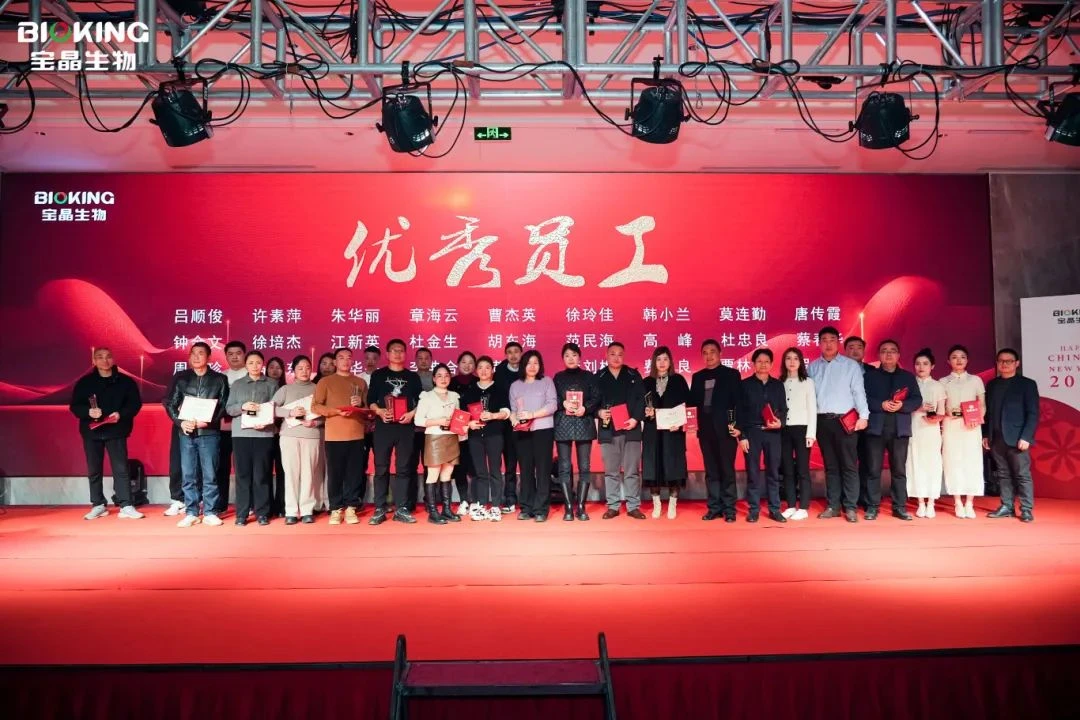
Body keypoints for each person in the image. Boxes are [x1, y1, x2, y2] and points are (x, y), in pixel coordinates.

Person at [68, 347, 144, 520]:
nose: (105, 360)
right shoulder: (85, 383)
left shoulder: (125, 382)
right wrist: (88, 412)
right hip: (92, 432)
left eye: (108, 357)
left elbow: (134, 404)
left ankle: (126, 505)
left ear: (113, 359)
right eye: (100, 357)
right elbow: (75, 406)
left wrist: (121, 414)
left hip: (116, 430)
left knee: (121, 468)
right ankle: (98, 504)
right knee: (94, 469)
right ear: (94, 361)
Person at [163, 342, 230, 527]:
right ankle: (191, 512)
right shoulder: (181, 378)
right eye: (193, 353)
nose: (196, 357)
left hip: (209, 433)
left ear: (209, 357)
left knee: (210, 474)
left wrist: (209, 421)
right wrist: (181, 422)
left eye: (201, 353)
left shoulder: (219, 379)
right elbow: (170, 403)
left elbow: (224, 405)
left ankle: (210, 511)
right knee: (188, 474)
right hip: (187, 433)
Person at [808, 326, 869, 523]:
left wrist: (864, 416)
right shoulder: (812, 367)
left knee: (849, 465)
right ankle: (833, 505)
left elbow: (858, 392)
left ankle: (850, 507)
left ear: (838, 342)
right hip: (822, 422)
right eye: (824, 340)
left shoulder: (850, 366)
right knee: (831, 466)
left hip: (846, 421)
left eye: (832, 340)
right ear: (819, 343)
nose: (828, 344)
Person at [863, 340, 921, 521]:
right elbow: (862, 399)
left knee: (899, 470)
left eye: (892, 351)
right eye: (884, 351)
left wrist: (902, 405)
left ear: (898, 355)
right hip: (876, 429)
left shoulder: (907, 377)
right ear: (878, 355)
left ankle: (899, 507)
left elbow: (917, 399)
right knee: (873, 470)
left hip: (899, 429)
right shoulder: (869, 376)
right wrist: (880, 404)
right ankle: (872, 506)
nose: (888, 354)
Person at [367, 338, 423, 524]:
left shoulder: (412, 377)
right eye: (394, 350)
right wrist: (380, 411)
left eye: (401, 350)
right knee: (381, 468)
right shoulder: (378, 375)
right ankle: (379, 508)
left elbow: (420, 402)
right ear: (387, 354)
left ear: (405, 354)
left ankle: (402, 508)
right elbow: (371, 401)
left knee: (404, 468)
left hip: (405, 427)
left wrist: (412, 414)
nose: (398, 354)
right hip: (384, 426)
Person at [311, 348, 368, 525]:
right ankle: (336, 508)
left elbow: (367, 410)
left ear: (353, 361)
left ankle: (351, 507)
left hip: (356, 433)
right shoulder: (325, 382)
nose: (345, 361)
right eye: (341, 358)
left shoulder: (360, 382)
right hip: (334, 435)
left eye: (349, 358)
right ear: (335, 362)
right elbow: (315, 406)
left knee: (354, 473)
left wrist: (360, 404)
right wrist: (335, 411)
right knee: (335, 474)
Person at [690, 339, 743, 522]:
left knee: (727, 470)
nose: (709, 356)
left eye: (712, 351)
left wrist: (738, 426)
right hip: (705, 431)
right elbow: (691, 405)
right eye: (705, 352)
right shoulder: (697, 377)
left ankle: (729, 509)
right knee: (711, 471)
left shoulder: (731, 375)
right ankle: (714, 508)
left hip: (726, 430)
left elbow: (739, 403)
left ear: (720, 353)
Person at [984, 348, 1040, 523]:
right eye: (1001, 361)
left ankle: (1026, 509)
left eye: (1009, 361)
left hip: (1017, 438)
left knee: (1022, 474)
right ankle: (1007, 506)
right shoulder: (992, 385)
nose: (1004, 364)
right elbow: (987, 413)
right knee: (1002, 473)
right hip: (996, 437)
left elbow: (1033, 413)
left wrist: (1026, 437)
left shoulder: (1027, 384)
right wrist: (986, 434)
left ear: (1017, 363)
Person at [225, 351, 278, 526]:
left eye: (258, 363)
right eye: (251, 363)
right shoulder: (237, 384)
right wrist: (243, 406)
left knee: (262, 475)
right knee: (243, 475)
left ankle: (262, 512)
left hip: (264, 434)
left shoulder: (271, 384)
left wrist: (266, 422)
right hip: (241, 435)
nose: (255, 366)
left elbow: (276, 408)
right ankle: (242, 514)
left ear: (263, 364)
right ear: (246, 365)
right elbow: (229, 409)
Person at [596, 342, 647, 520]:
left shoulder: (633, 374)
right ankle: (613, 506)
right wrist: (599, 412)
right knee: (611, 471)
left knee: (632, 470)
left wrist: (636, 419)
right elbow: (591, 402)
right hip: (608, 430)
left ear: (624, 356)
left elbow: (642, 400)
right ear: (606, 355)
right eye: (612, 354)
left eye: (620, 354)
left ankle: (633, 506)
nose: (616, 357)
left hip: (631, 429)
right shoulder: (599, 376)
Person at [738, 349, 788, 523]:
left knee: (773, 472)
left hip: (773, 433)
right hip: (752, 433)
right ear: (753, 364)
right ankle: (754, 510)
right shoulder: (744, 385)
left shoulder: (778, 385)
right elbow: (740, 412)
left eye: (767, 361)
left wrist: (781, 422)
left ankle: (775, 509)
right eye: (759, 361)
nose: (763, 364)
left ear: (772, 364)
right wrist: (742, 436)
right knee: (753, 473)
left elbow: (783, 409)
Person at [273, 355, 323, 524]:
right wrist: (290, 412)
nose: (304, 371)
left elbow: (326, 413)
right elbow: (271, 409)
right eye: (300, 368)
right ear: (293, 370)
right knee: (291, 473)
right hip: (289, 436)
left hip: (311, 435)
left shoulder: (318, 388)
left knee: (309, 473)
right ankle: (291, 511)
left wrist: (315, 422)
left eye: (307, 368)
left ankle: (307, 510)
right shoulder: (285, 389)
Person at [460, 356, 511, 521]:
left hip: (494, 435)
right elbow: (463, 414)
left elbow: (506, 412)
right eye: (480, 367)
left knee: (495, 471)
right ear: (476, 370)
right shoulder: (470, 390)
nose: (483, 371)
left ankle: (495, 506)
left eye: (487, 367)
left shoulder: (500, 389)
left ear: (492, 370)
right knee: (480, 472)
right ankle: (481, 505)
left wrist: (493, 415)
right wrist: (469, 423)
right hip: (475, 436)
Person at [509, 350, 558, 521]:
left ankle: (541, 509)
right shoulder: (515, 386)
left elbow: (552, 405)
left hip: (543, 431)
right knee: (526, 470)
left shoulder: (546, 382)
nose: (532, 366)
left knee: (543, 470)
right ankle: (526, 507)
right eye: (529, 363)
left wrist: (532, 415)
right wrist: (513, 419)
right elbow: (513, 410)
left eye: (536, 363)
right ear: (523, 365)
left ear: (540, 365)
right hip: (522, 432)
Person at [553, 342, 600, 521]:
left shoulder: (589, 376)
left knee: (585, 467)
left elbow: (596, 397)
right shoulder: (558, 377)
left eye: (574, 355)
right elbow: (553, 399)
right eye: (567, 356)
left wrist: (585, 408)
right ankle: (568, 508)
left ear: (580, 357)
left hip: (583, 423)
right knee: (564, 467)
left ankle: (580, 506)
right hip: (563, 424)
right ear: (562, 359)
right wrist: (562, 403)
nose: (571, 359)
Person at [414, 364, 466, 524]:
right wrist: (439, 421)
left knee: (447, 474)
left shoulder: (454, 396)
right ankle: (433, 512)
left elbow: (458, 418)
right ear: (434, 378)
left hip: (451, 437)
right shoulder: (426, 396)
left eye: (446, 375)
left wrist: (462, 429)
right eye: (439, 376)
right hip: (435, 438)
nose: (443, 379)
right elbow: (418, 420)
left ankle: (447, 510)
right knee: (433, 474)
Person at [642, 346, 689, 520]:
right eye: (658, 359)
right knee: (653, 467)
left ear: (670, 362)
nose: (662, 363)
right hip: (652, 432)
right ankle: (656, 504)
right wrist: (645, 412)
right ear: (654, 362)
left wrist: (681, 423)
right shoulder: (646, 382)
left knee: (673, 466)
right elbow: (638, 406)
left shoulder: (679, 380)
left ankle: (672, 504)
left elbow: (688, 406)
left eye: (665, 359)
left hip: (673, 432)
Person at [940, 344, 986, 519]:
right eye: (954, 357)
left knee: (972, 462)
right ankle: (958, 502)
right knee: (953, 461)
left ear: (967, 360)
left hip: (971, 426)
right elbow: (940, 405)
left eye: (962, 357)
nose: (958, 360)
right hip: (951, 426)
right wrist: (946, 412)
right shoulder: (943, 382)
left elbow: (982, 404)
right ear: (948, 361)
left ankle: (970, 502)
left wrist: (977, 418)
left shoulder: (975, 380)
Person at [906, 348, 946, 518]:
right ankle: (920, 502)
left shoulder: (938, 386)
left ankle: (931, 503)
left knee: (932, 465)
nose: (921, 367)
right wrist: (918, 408)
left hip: (931, 431)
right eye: (918, 364)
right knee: (915, 464)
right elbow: (903, 408)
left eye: (925, 364)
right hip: (913, 429)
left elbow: (942, 412)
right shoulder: (909, 385)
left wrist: (934, 419)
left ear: (932, 366)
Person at [779, 347, 816, 520]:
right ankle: (791, 505)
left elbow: (812, 409)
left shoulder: (807, 382)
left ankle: (804, 507)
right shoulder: (779, 382)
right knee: (787, 469)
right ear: (784, 362)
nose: (792, 361)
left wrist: (811, 434)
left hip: (802, 429)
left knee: (802, 469)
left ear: (801, 362)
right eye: (788, 358)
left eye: (795, 358)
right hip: (784, 430)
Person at [217, 340, 248, 516]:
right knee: (221, 468)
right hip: (222, 429)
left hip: (245, 429)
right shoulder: (220, 377)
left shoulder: (251, 375)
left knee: (243, 469)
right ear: (226, 356)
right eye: (230, 354)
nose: (234, 357)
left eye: (238, 353)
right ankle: (220, 505)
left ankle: (246, 505)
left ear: (245, 355)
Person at [405, 347, 435, 514]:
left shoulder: (436, 377)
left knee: (430, 466)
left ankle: (430, 501)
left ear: (431, 360)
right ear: (415, 360)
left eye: (426, 358)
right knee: (410, 466)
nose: (423, 361)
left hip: (431, 429)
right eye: (420, 358)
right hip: (412, 429)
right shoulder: (409, 377)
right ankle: (409, 501)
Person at [845, 335, 873, 511]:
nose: (855, 351)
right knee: (847, 462)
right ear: (844, 351)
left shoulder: (873, 371)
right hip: (845, 423)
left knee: (867, 461)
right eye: (851, 347)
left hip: (868, 423)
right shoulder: (840, 372)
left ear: (864, 350)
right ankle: (848, 498)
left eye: (859, 347)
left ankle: (865, 497)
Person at [495, 341, 524, 512]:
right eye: (510, 352)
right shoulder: (499, 372)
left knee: (527, 463)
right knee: (510, 464)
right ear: (506, 355)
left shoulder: (527, 369)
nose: (513, 355)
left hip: (527, 421)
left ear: (521, 353)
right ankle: (510, 498)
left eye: (516, 351)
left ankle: (528, 498)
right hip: (506, 424)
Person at [451, 351, 478, 516]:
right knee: (459, 467)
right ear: (458, 364)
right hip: (457, 431)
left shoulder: (478, 383)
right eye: (463, 362)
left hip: (475, 430)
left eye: (471, 362)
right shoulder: (451, 382)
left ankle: (475, 501)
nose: (467, 365)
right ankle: (463, 501)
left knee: (475, 467)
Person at [265, 356, 287, 517]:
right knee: (265, 471)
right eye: (271, 367)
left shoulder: (286, 389)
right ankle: (266, 506)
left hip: (283, 435)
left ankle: (281, 505)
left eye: (278, 367)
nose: (274, 370)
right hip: (265, 434)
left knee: (282, 471)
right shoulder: (262, 387)